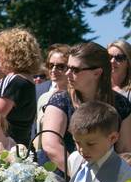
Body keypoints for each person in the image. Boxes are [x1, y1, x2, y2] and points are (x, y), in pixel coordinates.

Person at [42, 42, 131, 173]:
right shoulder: (60, 100)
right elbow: (51, 145)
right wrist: (81, 179)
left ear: (97, 73)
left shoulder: (121, 104)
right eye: (67, 67)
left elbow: (124, 150)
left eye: (75, 70)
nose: (67, 73)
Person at [34, 44, 70, 154]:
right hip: (42, 159)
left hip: (67, 157)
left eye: (60, 66)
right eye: (50, 65)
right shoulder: (42, 96)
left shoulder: (77, 96)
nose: (54, 70)